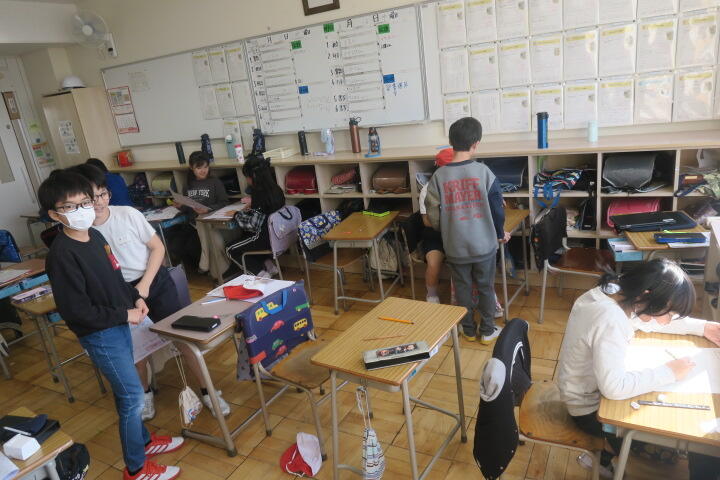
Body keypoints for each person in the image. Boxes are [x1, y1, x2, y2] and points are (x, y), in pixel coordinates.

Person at [39, 170, 184, 480]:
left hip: (118, 323)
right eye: (69, 206)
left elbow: (115, 278)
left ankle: (145, 442)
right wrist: (124, 315)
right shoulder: (61, 255)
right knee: (133, 397)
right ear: (53, 214)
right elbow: (76, 312)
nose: (82, 210)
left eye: (85, 202)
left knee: (125, 393)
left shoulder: (95, 236)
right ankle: (136, 468)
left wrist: (135, 298)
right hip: (101, 335)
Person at [69, 164, 231, 420]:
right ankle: (144, 394)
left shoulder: (128, 214)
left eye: (102, 194)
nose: (98, 202)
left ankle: (209, 391)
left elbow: (157, 248)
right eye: (91, 198)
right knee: (136, 350)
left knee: (184, 339)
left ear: (108, 193)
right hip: (120, 293)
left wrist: (144, 285)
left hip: (154, 281)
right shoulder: (83, 233)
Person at [556, 259, 720, 477]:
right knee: (671, 447)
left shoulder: (615, 292)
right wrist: (669, 372)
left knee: (673, 437)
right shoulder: (611, 318)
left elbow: (646, 321)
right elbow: (614, 388)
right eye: (668, 313)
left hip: (584, 391)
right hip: (588, 409)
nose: (665, 321)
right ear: (646, 295)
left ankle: (612, 452)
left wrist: (702, 327)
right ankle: (608, 455)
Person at [424, 117, 510, 344]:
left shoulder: (438, 176)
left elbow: (431, 210)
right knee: (485, 287)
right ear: (475, 144)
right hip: (484, 245)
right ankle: (487, 330)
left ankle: (468, 329)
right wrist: (499, 232)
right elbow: (497, 208)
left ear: (451, 142)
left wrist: (444, 229)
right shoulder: (484, 172)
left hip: (455, 245)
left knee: (462, 287)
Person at [225, 154, 286, 278]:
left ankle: (260, 274)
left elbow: (252, 225)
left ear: (253, 176)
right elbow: (265, 212)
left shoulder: (259, 193)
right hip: (280, 233)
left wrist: (237, 214)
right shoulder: (276, 189)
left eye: (247, 177)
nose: (247, 181)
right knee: (245, 236)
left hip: (267, 238)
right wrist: (253, 207)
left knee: (230, 248)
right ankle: (269, 265)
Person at [175, 151, 232, 279]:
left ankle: (206, 264)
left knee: (208, 230)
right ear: (191, 168)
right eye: (199, 168)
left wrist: (208, 209)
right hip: (195, 223)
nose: (203, 171)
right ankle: (211, 267)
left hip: (211, 220)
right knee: (201, 225)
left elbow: (224, 202)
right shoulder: (188, 184)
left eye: (205, 167)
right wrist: (181, 205)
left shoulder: (215, 182)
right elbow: (188, 207)